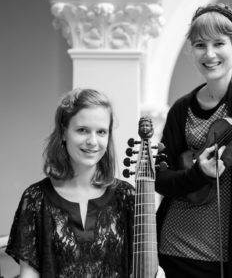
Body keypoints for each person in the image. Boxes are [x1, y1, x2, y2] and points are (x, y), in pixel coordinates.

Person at [155, 3, 232, 278]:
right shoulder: (181, 108)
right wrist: (198, 173)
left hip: (222, 255)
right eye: (200, 45)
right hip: (171, 246)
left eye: (218, 43)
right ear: (192, 50)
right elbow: (161, 180)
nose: (209, 54)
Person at [5, 88, 165, 278]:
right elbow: (29, 275)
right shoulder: (35, 199)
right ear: (64, 133)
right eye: (82, 130)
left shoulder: (126, 196)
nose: (92, 141)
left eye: (101, 132)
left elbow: (145, 267)